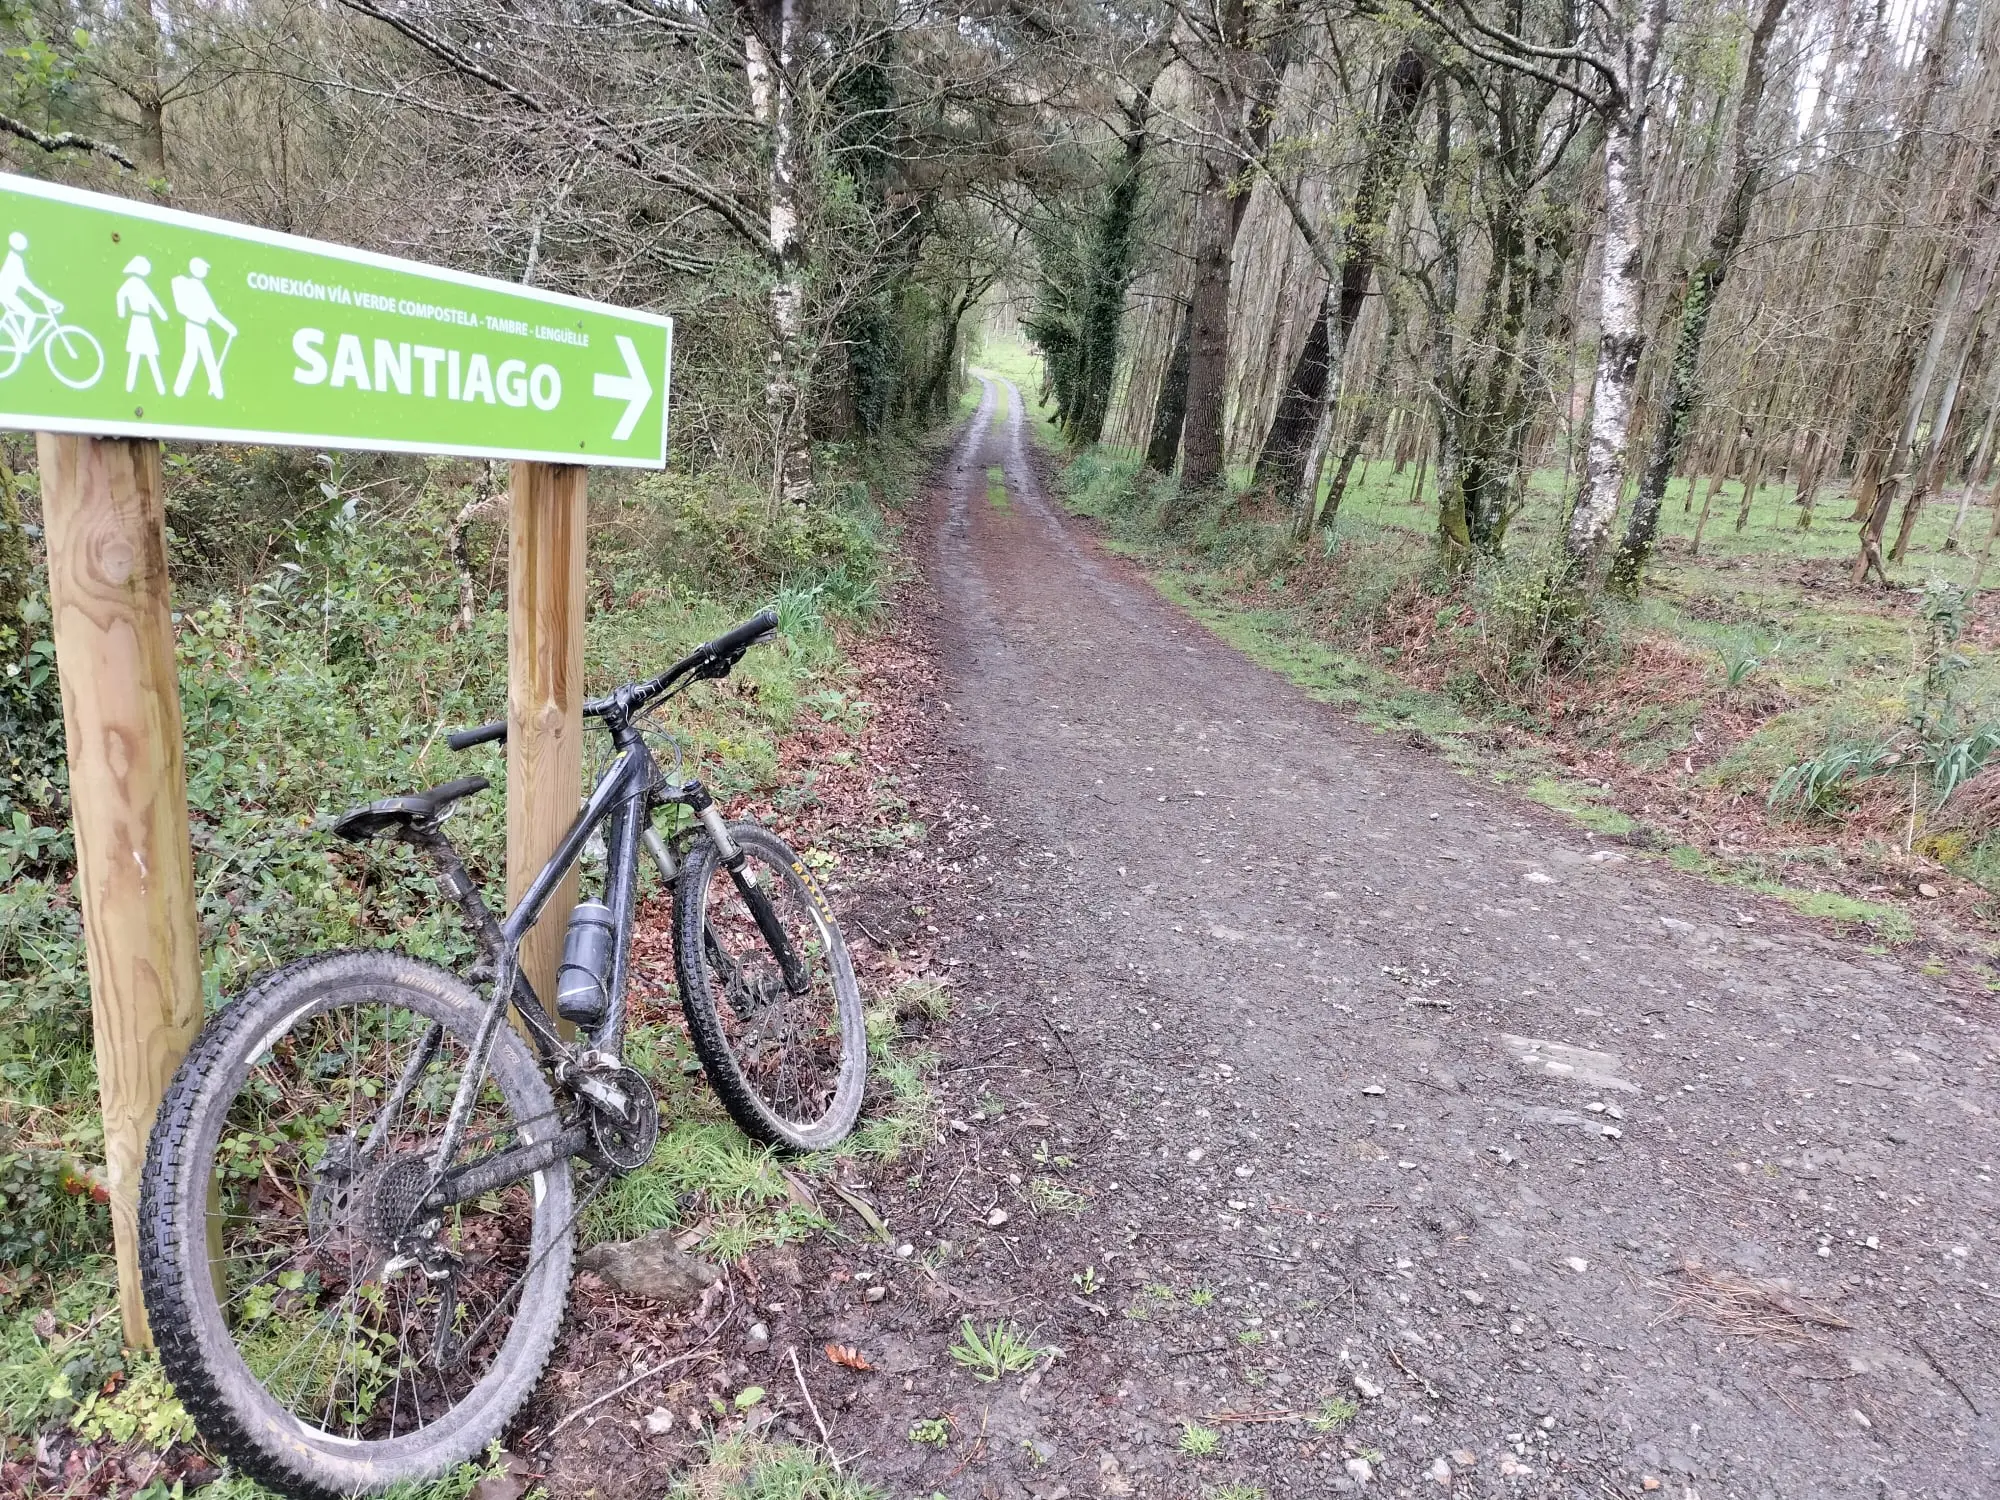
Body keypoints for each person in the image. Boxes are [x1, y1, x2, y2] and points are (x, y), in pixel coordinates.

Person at [171, 256, 235, 399]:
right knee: (205, 358)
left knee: (195, 357)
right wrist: (229, 327)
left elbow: (212, 312)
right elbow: (212, 313)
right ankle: (216, 393)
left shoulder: (195, 286)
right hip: (197, 327)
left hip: (194, 327)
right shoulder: (197, 287)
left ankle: (180, 390)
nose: (206, 271)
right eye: (204, 268)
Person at [117, 255, 169, 394]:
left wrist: (162, 314)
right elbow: (121, 295)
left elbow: (152, 301)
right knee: (140, 354)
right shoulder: (134, 282)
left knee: (146, 354)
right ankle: (134, 387)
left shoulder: (139, 283)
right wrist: (121, 312)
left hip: (143, 321)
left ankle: (159, 388)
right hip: (139, 320)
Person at [0, 231, 59, 349]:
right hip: (5, 294)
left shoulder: (14, 258)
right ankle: (23, 344)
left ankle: (22, 342)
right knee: (30, 316)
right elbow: (27, 285)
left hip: (6, 293)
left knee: (28, 315)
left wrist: (46, 299)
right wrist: (47, 299)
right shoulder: (15, 261)